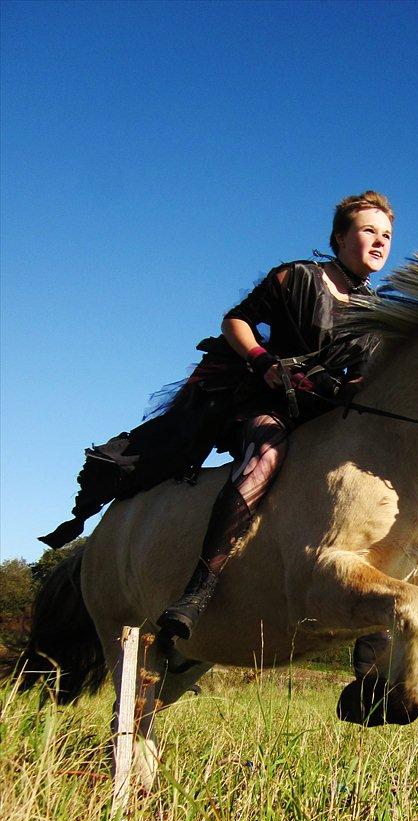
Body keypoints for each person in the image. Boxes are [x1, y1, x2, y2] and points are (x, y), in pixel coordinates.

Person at [39, 191, 394, 643]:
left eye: (386, 235)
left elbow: (359, 378)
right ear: (340, 237)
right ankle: (198, 588)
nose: (380, 242)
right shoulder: (297, 276)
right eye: (368, 231)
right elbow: (236, 321)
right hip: (263, 397)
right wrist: (265, 361)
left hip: (319, 411)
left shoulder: (376, 313)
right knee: (265, 455)